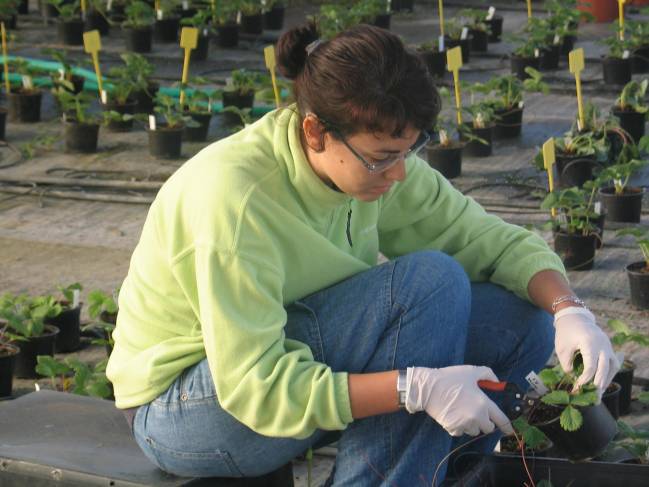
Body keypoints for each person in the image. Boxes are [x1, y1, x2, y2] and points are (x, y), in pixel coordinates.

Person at [106, 23, 620, 486]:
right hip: (188, 408)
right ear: (315, 132)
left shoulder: (374, 166)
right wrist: (411, 388)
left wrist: (568, 310)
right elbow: (254, 389)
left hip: (278, 371)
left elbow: (486, 240)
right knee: (428, 287)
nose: (398, 174)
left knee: (519, 320)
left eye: (406, 153)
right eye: (381, 158)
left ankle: (439, 478)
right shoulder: (236, 200)